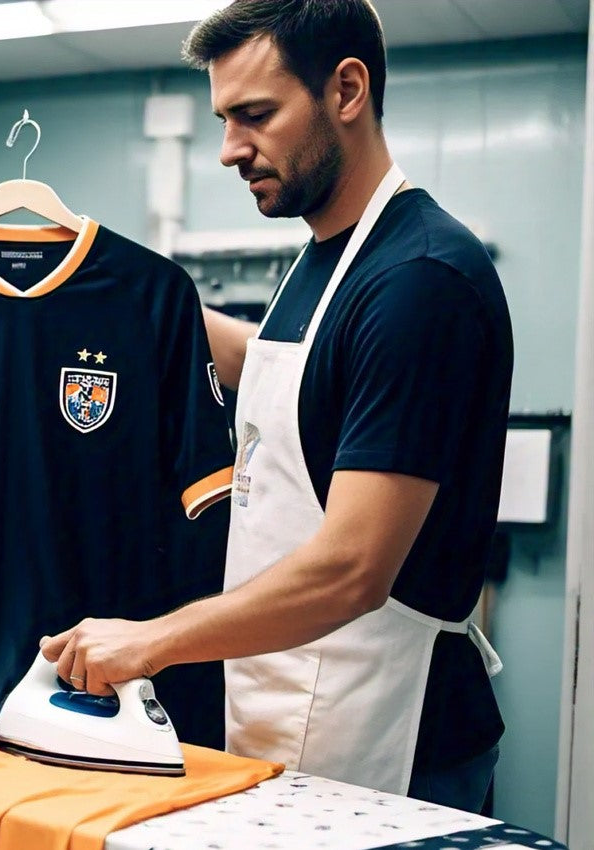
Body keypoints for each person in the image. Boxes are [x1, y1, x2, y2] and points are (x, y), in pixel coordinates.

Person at [40, 0, 512, 813]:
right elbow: (280, 367)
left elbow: (353, 569)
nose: (229, 150)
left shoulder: (421, 280)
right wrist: (126, 300)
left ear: (347, 91)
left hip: (397, 740)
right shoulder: (325, 260)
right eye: (224, 119)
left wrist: (150, 641)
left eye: (255, 116)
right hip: (287, 699)